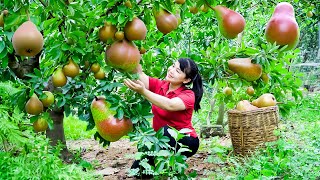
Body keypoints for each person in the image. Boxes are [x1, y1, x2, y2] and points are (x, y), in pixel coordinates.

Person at [124, 57, 203, 177]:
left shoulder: (188, 95)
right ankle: (165, 165)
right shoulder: (161, 86)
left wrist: (143, 91)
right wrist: (131, 51)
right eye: (172, 66)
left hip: (185, 141)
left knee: (165, 131)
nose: (171, 70)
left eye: (177, 71)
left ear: (186, 80)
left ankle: (172, 165)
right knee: (138, 171)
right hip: (160, 140)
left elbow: (169, 105)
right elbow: (139, 73)